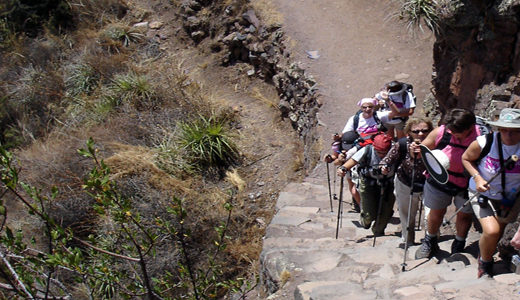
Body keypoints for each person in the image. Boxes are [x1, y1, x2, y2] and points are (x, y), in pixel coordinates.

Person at [413, 108, 480, 259]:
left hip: (466, 181)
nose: (453, 134)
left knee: (464, 215)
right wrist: (415, 150)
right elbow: (423, 150)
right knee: (436, 213)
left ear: (469, 128)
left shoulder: (480, 137)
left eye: (457, 132)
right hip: (438, 179)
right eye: (451, 130)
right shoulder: (441, 132)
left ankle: (459, 243)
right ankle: (430, 240)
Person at [461, 108, 520, 278]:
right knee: (492, 231)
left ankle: (487, 252)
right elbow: (466, 158)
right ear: (498, 129)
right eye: (504, 130)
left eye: (515, 131)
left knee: (499, 228)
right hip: (483, 193)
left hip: (510, 197)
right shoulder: (484, 143)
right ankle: (485, 263)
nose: (509, 135)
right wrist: (478, 178)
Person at [324, 97, 399, 211]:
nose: (367, 109)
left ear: (374, 107)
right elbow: (346, 134)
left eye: (370, 107)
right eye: (365, 107)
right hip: (361, 147)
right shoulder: (354, 119)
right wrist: (337, 138)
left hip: (378, 147)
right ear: (361, 107)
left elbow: (395, 113)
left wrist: (389, 101)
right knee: (354, 178)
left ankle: (367, 207)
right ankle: (364, 207)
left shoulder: (378, 115)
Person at [380, 117, 433, 246]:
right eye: (416, 131)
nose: (421, 134)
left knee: (431, 215)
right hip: (405, 181)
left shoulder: (436, 143)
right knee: (406, 215)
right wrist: (384, 167)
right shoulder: (403, 144)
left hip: (429, 183)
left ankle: (431, 240)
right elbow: (388, 159)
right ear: (409, 132)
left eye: (425, 130)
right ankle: (408, 240)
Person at [337, 133, 396, 236]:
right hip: (369, 183)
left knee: (385, 212)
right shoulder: (367, 150)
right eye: (379, 152)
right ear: (374, 147)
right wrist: (343, 169)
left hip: (388, 184)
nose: (382, 155)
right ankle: (365, 220)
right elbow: (353, 161)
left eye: (384, 153)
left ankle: (378, 232)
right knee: (369, 214)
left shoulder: (395, 150)